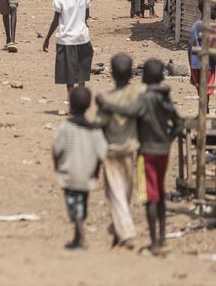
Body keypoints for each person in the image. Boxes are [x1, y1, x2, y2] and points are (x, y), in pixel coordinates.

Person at [98, 59, 184, 255]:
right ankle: (162, 237)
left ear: (144, 77)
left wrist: (108, 105)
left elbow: (130, 111)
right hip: (164, 151)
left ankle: (154, 243)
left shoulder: (145, 99)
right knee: (161, 194)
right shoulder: (165, 97)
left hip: (147, 152)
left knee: (150, 197)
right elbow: (179, 124)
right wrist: (168, 139)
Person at [94, 54, 144, 249]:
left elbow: (98, 126)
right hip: (130, 151)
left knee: (116, 194)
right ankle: (120, 229)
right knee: (126, 191)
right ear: (132, 74)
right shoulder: (136, 95)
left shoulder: (107, 100)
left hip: (112, 152)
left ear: (112, 74)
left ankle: (126, 233)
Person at [52, 86, 108, 250]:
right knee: (82, 203)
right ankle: (77, 236)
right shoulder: (94, 130)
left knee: (73, 206)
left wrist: (57, 166)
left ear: (70, 104)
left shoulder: (66, 128)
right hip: (87, 173)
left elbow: (56, 149)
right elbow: (102, 152)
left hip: (70, 173)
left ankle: (81, 235)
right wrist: (96, 171)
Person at [42, 0, 93, 94]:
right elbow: (86, 15)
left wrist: (47, 38)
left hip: (66, 41)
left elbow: (55, 21)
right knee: (81, 76)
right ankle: (81, 100)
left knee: (69, 77)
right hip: (82, 38)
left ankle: (72, 101)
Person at [188, 0, 216, 109]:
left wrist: (191, 68)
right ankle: (205, 111)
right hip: (207, 66)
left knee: (201, 91)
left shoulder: (195, 26)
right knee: (206, 92)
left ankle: (204, 110)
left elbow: (190, 49)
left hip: (195, 66)